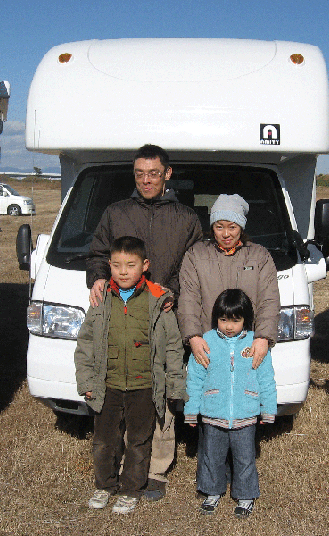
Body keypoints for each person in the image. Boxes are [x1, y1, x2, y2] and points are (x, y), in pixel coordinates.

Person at [85, 144, 202, 500]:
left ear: (167, 174)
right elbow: (98, 253)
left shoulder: (185, 218)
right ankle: (119, 464)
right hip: (122, 314)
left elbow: (193, 265)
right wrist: (98, 277)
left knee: (159, 391)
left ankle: (156, 470)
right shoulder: (116, 212)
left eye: (153, 173)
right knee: (121, 389)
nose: (146, 180)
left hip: (163, 314)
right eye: (140, 174)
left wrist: (172, 292)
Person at [74, 236, 186, 514]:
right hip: (108, 385)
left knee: (138, 441)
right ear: (109, 265)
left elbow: (173, 346)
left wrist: (174, 385)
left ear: (144, 265)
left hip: (144, 386)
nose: (123, 271)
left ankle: (131, 489)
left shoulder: (158, 301)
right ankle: (105, 485)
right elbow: (85, 343)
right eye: (116, 265)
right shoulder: (101, 299)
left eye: (130, 265)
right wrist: (86, 381)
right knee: (104, 441)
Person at [184, 289, 277, 518]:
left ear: (246, 319)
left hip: (245, 415)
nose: (228, 326)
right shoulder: (207, 341)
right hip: (213, 413)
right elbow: (195, 379)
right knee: (211, 457)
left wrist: (268, 409)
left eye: (235, 321)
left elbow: (266, 379)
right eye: (223, 320)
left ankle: (245, 495)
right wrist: (191, 410)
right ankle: (211, 492)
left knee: (245, 458)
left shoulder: (255, 343)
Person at [178, 193, 280, 369]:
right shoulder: (195, 255)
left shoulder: (260, 256)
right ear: (212, 227)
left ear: (241, 227)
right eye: (219, 227)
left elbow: (269, 300)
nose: (226, 234)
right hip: (208, 346)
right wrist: (193, 337)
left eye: (232, 227)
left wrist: (263, 337)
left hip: (248, 347)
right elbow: (188, 299)